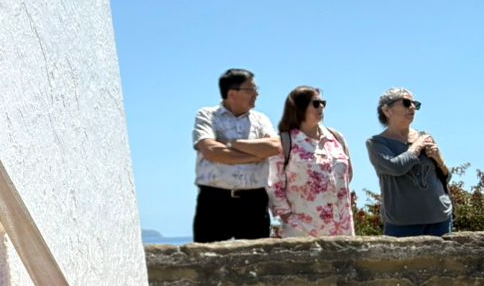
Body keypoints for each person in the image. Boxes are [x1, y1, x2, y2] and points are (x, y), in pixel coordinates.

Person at [191, 68, 282, 242]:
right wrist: (256, 155)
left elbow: (274, 147)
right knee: (209, 260)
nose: (256, 94)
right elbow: (212, 151)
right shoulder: (207, 116)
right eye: (251, 90)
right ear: (232, 93)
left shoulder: (261, 119)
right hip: (215, 201)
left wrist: (231, 143)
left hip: (253, 202)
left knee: (256, 259)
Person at [268, 85, 354, 237]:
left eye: (323, 103)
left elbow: (348, 175)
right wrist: (289, 218)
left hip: (342, 228)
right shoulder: (285, 141)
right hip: (302, 230)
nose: (321, 106)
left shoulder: (336, 138)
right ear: (299, 108)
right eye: (315, 103)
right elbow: (274, 186)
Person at [366, 88, 452, 236]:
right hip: (402, 224)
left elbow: (446, 177)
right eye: (406, 103)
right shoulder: (376, 143)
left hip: (440, 220)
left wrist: (439, 159)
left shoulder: (425, 136)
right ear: (387, 111)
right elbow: (396, 167)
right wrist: (416, 147)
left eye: (415, 104)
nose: (412, 107)